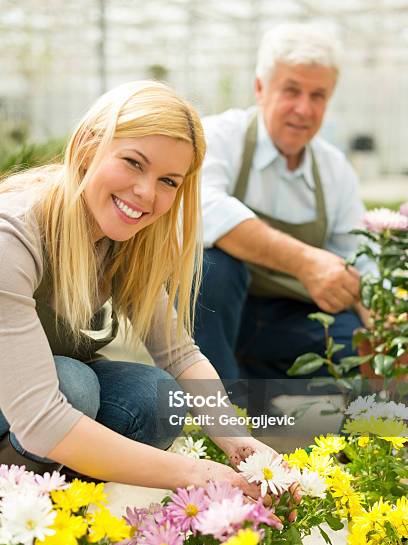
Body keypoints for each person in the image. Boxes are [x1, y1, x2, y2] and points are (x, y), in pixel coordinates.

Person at [0, 80, 274, 496]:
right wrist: (198, 474)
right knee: (73, 385)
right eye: (132, 162)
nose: (146, 192)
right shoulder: (14, 234)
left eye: (168, 181)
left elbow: (179, 355)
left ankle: (65, 515)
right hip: (29, 408)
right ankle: (19, 518)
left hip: (35, 404)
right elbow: (43, 421)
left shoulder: (126, 242)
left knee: (156, 397)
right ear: (90, 146)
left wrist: (241, 444)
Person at [195, 23, 370, 384]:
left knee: (355, 345)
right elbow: (206, 208)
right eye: (291, 90)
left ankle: (263, 391)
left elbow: (359, 257)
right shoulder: (218, 136)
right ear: (260, 88)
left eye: (318, 95)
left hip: (289, 319)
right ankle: (218, 412)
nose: (303, 109)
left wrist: (379, 315)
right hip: (215, 316)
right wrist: (305, 262)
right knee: (211, 265)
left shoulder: (335, 170)